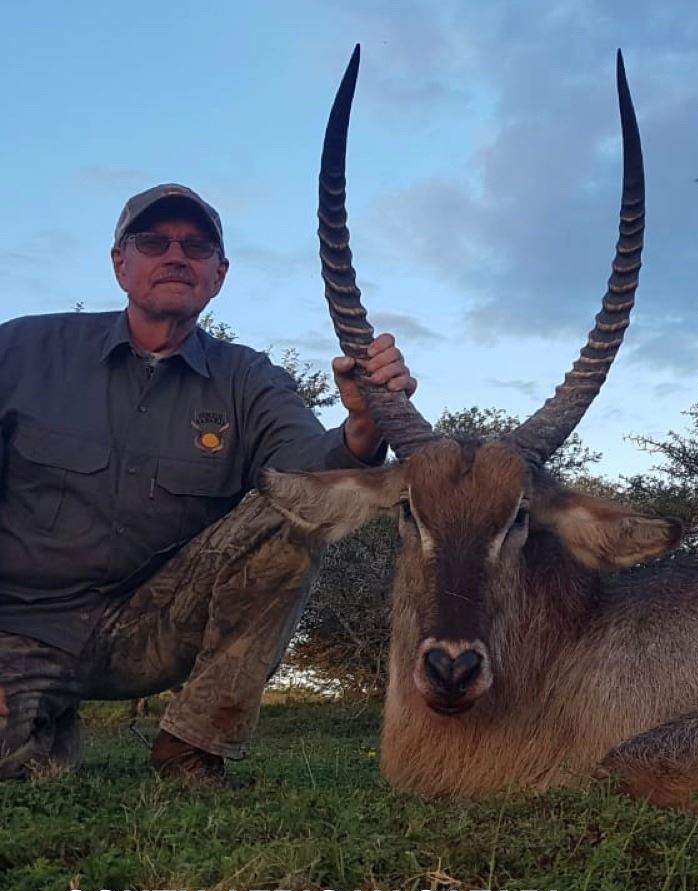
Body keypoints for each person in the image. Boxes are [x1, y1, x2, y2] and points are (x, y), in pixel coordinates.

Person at [0, 183, 415, 785]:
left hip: (153, 626)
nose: (176, 256)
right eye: (154, 242)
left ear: (218, 275)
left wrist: (365, 422)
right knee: (17, 766)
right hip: (22, 625)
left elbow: (312, 477)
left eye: (196, 247)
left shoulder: (247, 378)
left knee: (289, 514)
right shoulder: (22, 349)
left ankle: (193, 747)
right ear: (120, 264)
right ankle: (39, 717)